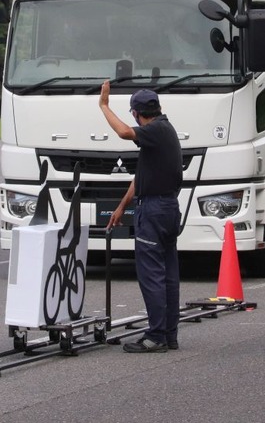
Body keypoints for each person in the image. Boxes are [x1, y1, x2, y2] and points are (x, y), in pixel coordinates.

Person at [99, 81, 183, 353]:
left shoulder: (155, 130)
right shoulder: (162, 131)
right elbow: (141, 177)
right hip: (167, 207)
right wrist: (123, 206)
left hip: (155, 210)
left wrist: (104, 106)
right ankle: (169, 334)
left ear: (136, 113)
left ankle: (156, 335)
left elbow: (123, 132)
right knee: (168, 273)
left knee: (152, 275)